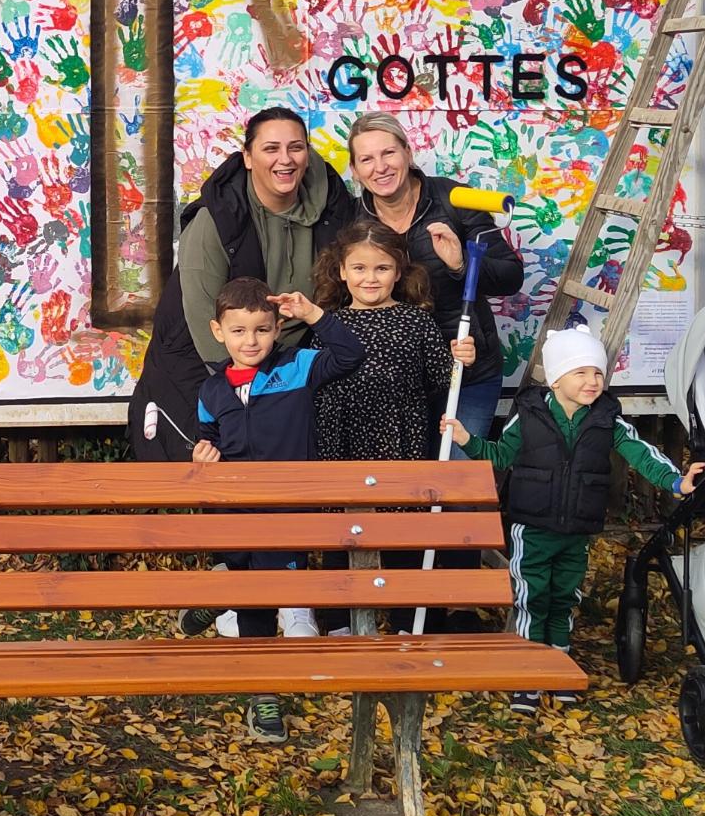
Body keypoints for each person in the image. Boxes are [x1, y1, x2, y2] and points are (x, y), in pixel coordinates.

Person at [448, 326, 701, 715]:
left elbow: (642, 453)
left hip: (576, 530)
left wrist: (675, 480)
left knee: (565, 598)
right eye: (580, 372)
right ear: (556, 378)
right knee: (534, 599)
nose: (592, 381)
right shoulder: (529, 415)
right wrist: (467, 439)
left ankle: (558, 667)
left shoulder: (607, 419)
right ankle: (529, 675)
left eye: (597, 373)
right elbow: (499, 456)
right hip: (531, 528)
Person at [185, 278, 364, 745]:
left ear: (278, 328)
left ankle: (262, 692)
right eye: (240, 331)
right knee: (243, 580)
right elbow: (210, 440)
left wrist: (315, 316)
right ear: (218, 331)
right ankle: (220, 595)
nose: (251, 341)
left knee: (261, 597)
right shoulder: (211, 390)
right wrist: (204, 458)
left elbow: (350, 355)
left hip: (287, 513)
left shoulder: (298, 366)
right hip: (232, 513)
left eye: (262, 330)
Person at [128, 108, 359, 461]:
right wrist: (250, 399)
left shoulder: (334, 208)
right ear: (248, 158)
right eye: (271, 149)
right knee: (220, 468)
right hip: (213, 361)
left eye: (296, 148)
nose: (286, 159)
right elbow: (206, 322)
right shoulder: (216, 218)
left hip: (287, 366)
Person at [309, 219, 477, 634]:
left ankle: (410, 619)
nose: (370, 278)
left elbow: (445, 380)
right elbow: (308, 383)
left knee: (404, 533)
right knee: (341, 535)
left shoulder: (415, 323)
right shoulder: (326, 325)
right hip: (340, 444)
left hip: (399, 443)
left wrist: (463, 360)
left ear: (398, 271)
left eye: (381, 268)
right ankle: (338, 620)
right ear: (342, 271)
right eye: (360, 268)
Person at [345, 113, 522, 441]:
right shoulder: (352, 221)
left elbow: (511, 277)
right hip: (396, 381)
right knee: (407, 482)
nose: (380, 167)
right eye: (366, 159)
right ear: (355, 171)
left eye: (388, 153)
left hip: (466, 372)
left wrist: (461, 264)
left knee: (454, 481)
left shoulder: (454, 200)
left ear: (408, 154)